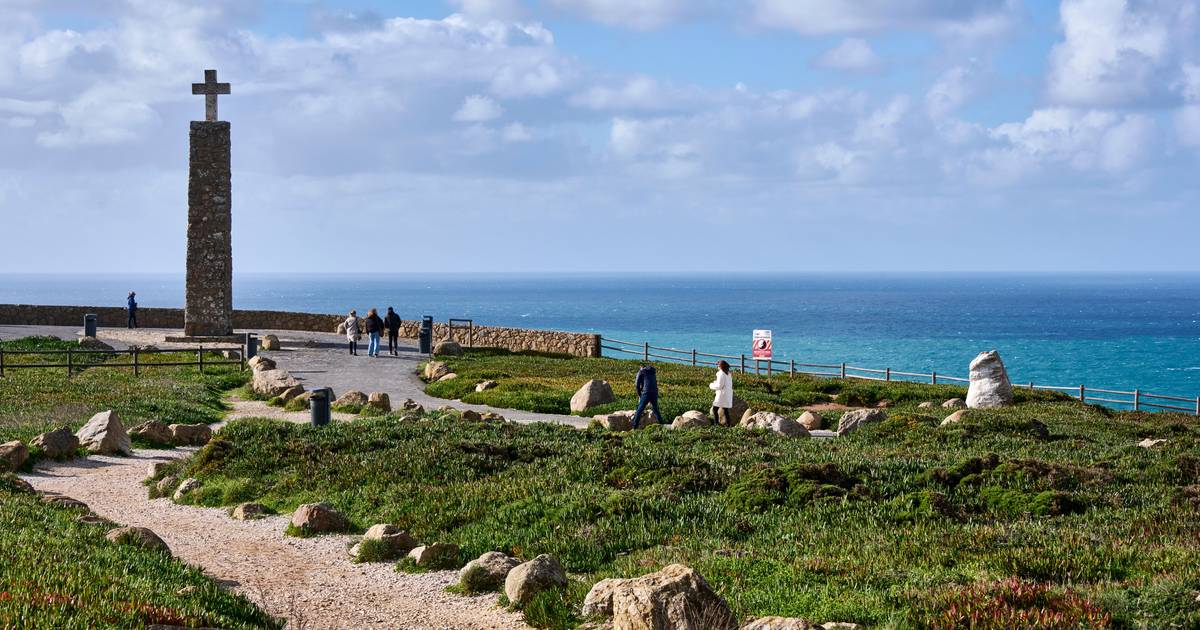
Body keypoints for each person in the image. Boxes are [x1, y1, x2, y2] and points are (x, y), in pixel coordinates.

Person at [632, 363, 663, 428]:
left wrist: (639, 395)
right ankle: (662, 425)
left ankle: (634, 427)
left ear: (641, 367)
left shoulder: (641, 371)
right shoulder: (652, 372)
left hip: (646, 392)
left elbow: (637, 384)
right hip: (654, 392)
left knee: (640, 409)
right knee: (655, 409)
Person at [709, 360, 734, 426]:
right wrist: (716, 382)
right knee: (725, 410)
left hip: (722, 395)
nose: (717, 366)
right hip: (727, 394)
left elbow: (719, 386)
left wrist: (711, 385)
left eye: (718, 365)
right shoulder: (728, 374)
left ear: (721, 366)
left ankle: (716, 424)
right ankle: (728, 425)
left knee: (715, 409)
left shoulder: (721, 374)